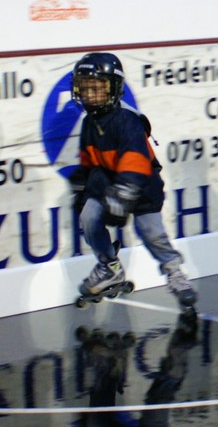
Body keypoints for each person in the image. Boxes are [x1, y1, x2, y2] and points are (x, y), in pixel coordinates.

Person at [68, 51, 197, 309]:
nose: (90, 94)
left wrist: (124, 193)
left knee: (151, 233)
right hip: (109, 183)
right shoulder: (88, 123)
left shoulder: (127, 121)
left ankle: (174, 272)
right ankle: (109, 267)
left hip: (143, 185)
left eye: (97, 88)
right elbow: (88, 159)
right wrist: (81, 186)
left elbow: (135, 161)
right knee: (89, 218)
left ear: (113, 88)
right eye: (85, 88)